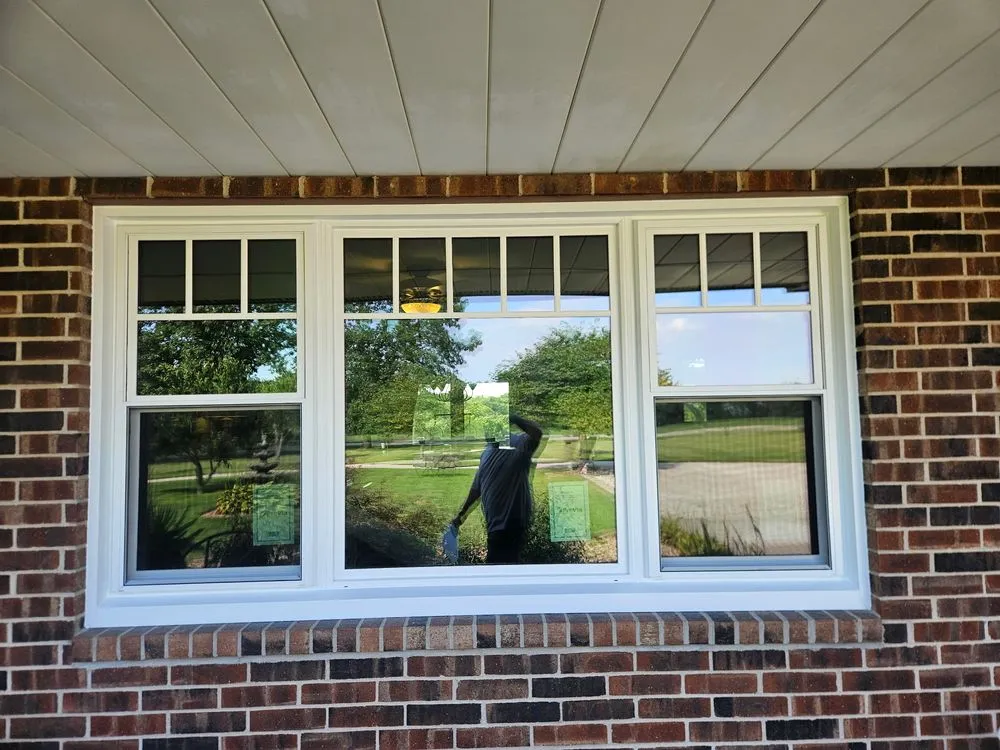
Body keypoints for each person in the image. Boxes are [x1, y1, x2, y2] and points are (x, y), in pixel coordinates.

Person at [451, 413, 543, 564]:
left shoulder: (518, 444)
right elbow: (477, 489)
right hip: (494, 523)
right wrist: (460, 516)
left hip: (512, 522)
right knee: (502, 569)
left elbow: (536, 433)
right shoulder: (486, 453)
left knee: (498, 569)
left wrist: (513, 417)